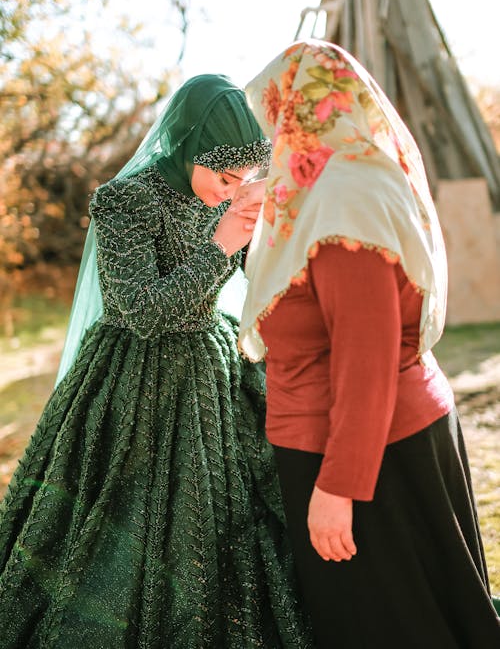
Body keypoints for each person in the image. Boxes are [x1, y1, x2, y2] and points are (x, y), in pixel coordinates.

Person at [0, 74, 313, 649]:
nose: (232, 189)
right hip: (129, 381)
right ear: (191, 146)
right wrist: (220, 242)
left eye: (245, 178)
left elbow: (255, 280)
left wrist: (264, 234)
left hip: (214, 373)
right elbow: (141, 311)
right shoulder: (125, 201)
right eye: (224, 175)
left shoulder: (228, 199)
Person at [238, 39, 500, 648]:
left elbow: (367, 357)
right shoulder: (338, 177)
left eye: (280, 111)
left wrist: (338, 488)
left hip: (365, 456)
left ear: (305, 107)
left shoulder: (343, 198)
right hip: (378, 440)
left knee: (395, 626)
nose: (276, 129)